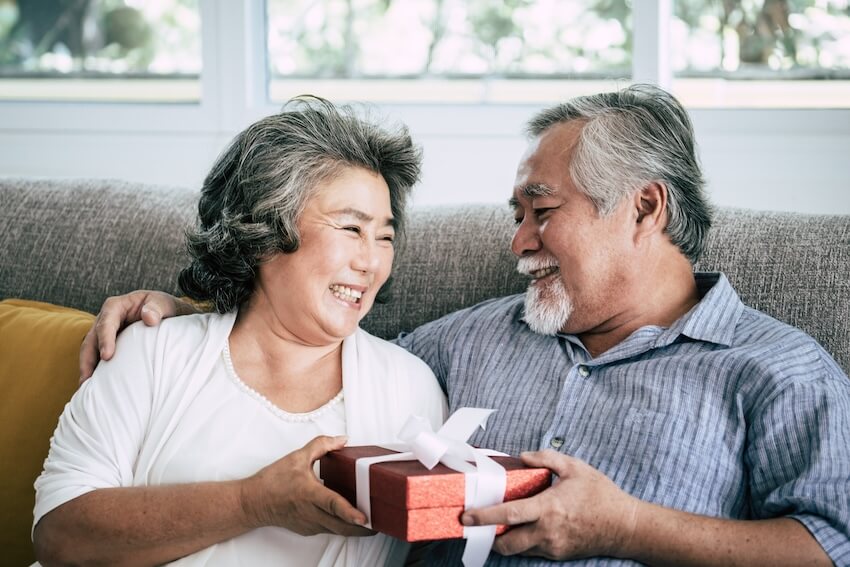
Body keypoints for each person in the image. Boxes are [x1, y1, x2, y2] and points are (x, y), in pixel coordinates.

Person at [78, 85, 850, 566]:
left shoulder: (777, 369)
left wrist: (628, 527)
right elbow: (322, 345)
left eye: (541, 211)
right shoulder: (468, 338)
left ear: (644, 208)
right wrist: (201, 307)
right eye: (516, 216)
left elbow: (834, 543)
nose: (518, 243)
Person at [33, 97, 447, 566]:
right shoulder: (153, 352)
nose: (371, 262)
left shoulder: (411, 390)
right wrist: (254, 502)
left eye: (385, 237)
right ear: (265, 231)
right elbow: (58, 537)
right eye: (351, 228)